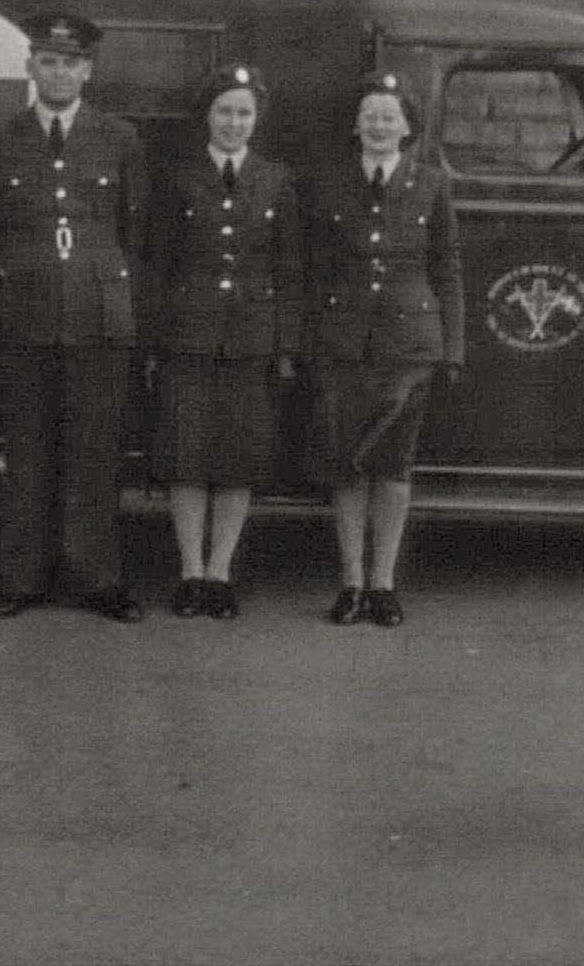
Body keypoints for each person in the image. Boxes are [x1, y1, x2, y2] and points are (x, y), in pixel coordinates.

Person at [0, 11, 147, 622]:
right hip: (22, 317)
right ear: (30, 67)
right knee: (25, 451)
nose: (59, 72)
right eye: (48, 61)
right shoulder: (4, 140)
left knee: (94, 453)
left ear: (88, 70)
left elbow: (134, 233)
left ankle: (96, 578)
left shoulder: (119, 139)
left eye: (71, 62)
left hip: (97, 319)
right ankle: (20, 577)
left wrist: (124, 312)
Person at [302, 71, 464, 627]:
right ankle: (350, 584)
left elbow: (446, 267)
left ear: (407, 128)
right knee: (347, 466)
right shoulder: (329, 184)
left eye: (389, 116)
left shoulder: (432, 186)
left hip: (408, 348)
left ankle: (383, 584)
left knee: (393, 467)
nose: (378, 125)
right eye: (370, 115)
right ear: (356, 124)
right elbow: (313, 269)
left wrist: (451, 349)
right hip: (344, 344)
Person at [144, 63, 301, 619]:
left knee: (238, 458)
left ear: (257, 120)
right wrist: (154, 342)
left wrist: (284, 345)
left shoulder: (277, 180)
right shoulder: (179, 179)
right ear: (206, 117)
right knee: (187, 457)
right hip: (187, 335)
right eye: (224, 112)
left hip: (251, 340)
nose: (233, 123)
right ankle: (189, 570)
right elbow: (157, 265)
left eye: (244, 113)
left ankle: (220, 572)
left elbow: (289, 270)